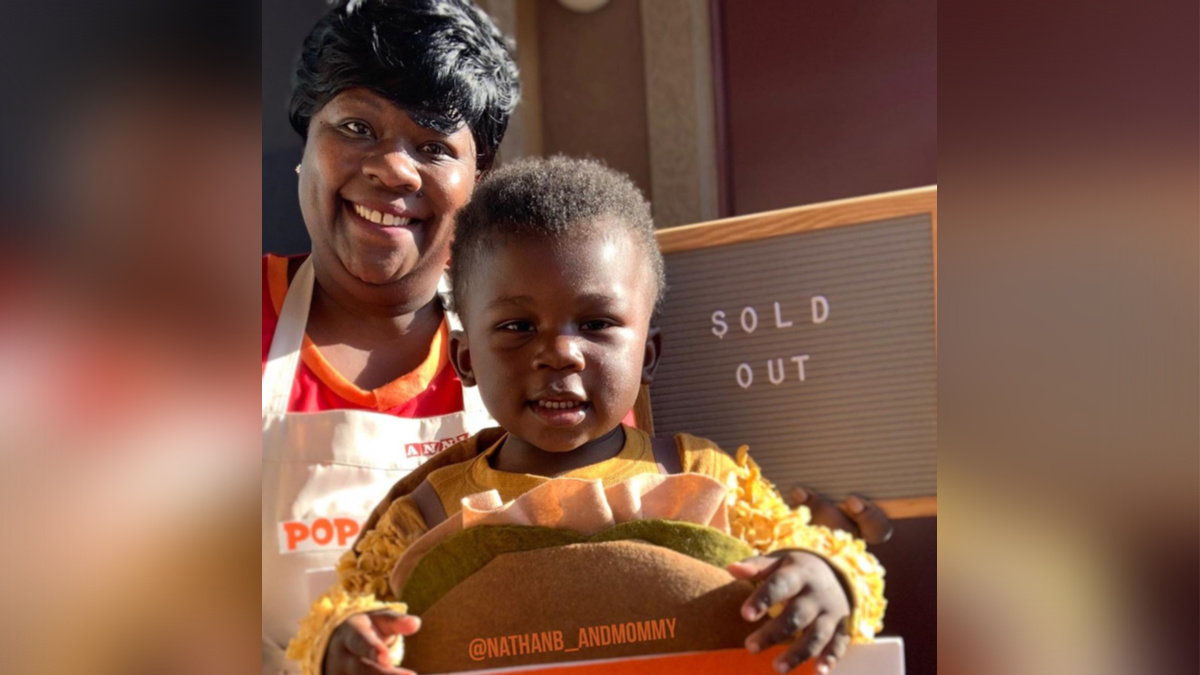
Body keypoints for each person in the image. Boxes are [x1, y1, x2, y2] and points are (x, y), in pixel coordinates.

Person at [286, 157, 887, 675]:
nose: (560, 353)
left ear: (647, 356)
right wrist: (346, 641)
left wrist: (826, 576)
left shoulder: (706, 476)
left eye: (596, 324)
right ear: (466, 359)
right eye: (518, 327)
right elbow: (339, 611)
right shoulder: (427, 510)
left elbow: (818, 558)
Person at [261, 2, 519, 672]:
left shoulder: (531, 351)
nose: (396, 170)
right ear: (306, 142)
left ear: (478, 179)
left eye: (433, 146)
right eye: (356, 126)